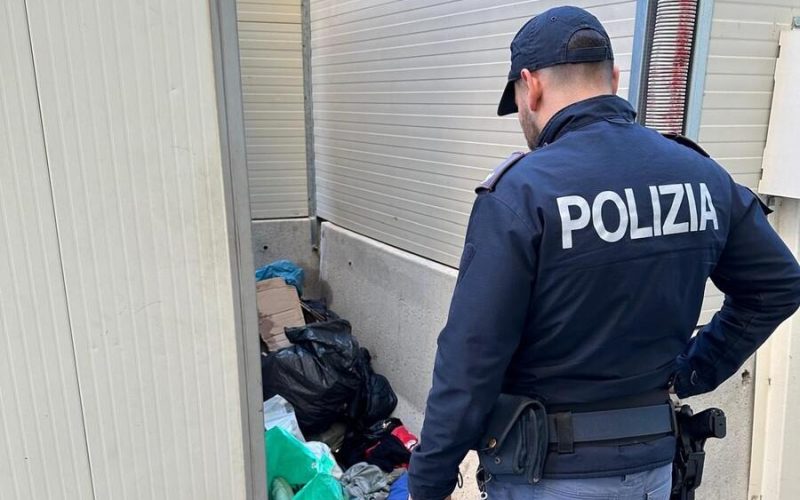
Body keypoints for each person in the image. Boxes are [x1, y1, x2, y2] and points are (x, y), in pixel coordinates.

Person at [407, 6, 800, 500]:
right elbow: (777, 284)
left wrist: (429, 481)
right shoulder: (702, 177)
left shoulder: (522, 194)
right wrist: (693, 368)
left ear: (531, 86)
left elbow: (472, 357)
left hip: (548, 476)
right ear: (613, 78)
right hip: (654, 470)